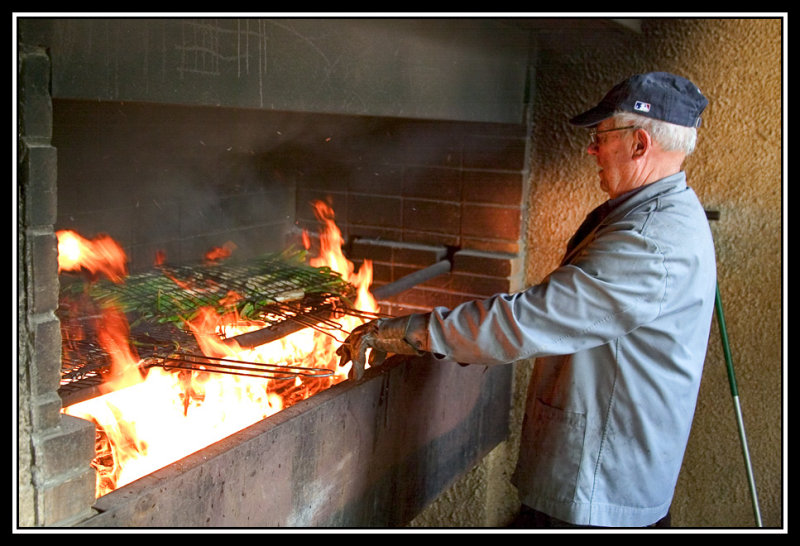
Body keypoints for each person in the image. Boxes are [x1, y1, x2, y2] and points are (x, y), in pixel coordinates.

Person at [337, 72, 716, 528]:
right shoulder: (655, 212)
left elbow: (529, 321)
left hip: (599, 490)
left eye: (600, 137)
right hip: (604, 476)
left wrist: (410, 332)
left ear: (639, 144)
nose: (591, 149)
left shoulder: (648, 242)